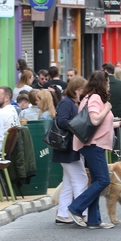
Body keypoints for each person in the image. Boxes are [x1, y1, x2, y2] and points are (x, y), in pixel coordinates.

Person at [64, 71, 121, 229]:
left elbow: (99, 122)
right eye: (107, 82)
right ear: (101, 83)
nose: (109, 85)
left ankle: (94, 220)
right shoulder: (95, 98)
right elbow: (96, 119)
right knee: (103, 180)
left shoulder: (90, 97)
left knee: (97, 181)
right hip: (93, 145)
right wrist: (108, 107)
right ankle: (76, 208)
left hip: (93, 144)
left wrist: (120, 124)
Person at [53, 76, 88, 224]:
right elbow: (62, 121)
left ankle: (63, 213)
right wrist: (79, 125)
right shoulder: (67, 103)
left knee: (68, 181)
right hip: (67, 147)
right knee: (81, 179)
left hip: (68, 147)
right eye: (83, 90)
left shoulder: (70, 102)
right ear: (76, 90)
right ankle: (81, 212)